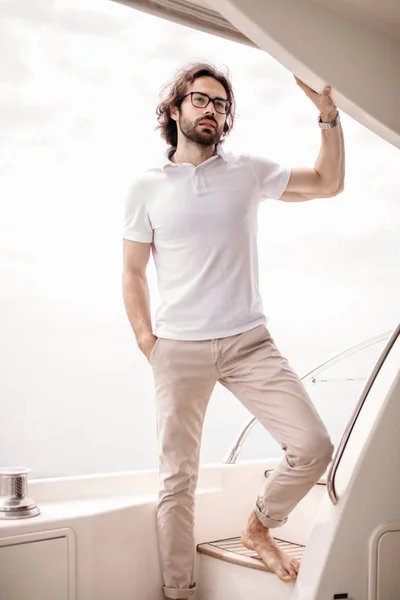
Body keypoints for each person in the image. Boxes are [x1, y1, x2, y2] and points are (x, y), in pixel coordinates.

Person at [122, 62, 344, 600]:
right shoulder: (146, 187)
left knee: (314, 446)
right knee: (177, 482)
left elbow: (328, 183)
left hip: (249, 342)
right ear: (175, 109)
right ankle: (179, 592)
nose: (212, 111)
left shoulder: (247, 171)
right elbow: (132, 271)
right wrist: (148, 342)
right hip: (178, 350)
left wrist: (329, 119)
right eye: (201, 100)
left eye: (221, 105)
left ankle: (259, 526)